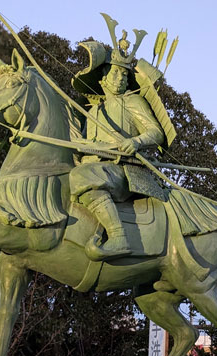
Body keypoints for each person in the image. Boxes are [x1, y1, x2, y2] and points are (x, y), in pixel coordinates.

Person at [69, 22, 165, 261]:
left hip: (124, 171)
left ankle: (118, 236)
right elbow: (83, 143)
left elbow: (156, 132)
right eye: (115, 72)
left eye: (124, 74)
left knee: (82, 176)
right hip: (97, 168)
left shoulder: (132, 102)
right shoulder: (92, 111)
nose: (121, 78)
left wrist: (136, 142)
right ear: (103, 79)